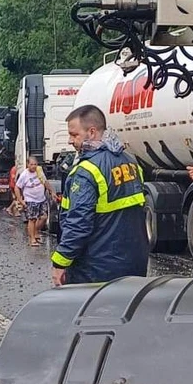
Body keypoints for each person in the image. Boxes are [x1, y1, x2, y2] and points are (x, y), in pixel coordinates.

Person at [51, 105, 148, 286]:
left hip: (96, 271)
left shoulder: (86, 171)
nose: (70, 141)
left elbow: (78, 223)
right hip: (134, 266)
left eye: (74, 134)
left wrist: (60, 263)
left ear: (92, 132)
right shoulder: (131, 163)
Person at [15, 157, 56, 246]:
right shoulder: (24, 175)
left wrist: (52, 191)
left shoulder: (39, 171)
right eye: (31, 164)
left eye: (35, 164)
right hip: (30, 200)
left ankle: (35, 231)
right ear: (27, 165)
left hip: (41, 199)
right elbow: (17, 187)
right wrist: (20, 200)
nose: (33, 166)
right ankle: (32, 239)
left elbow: (45, 182)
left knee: (44, 217)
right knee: (32, 219)